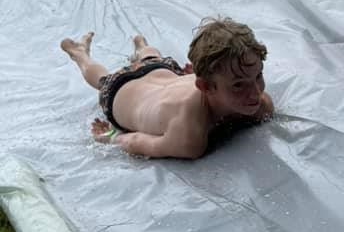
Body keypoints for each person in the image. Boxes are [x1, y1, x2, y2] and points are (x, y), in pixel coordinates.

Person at [60, 18, 274, 160]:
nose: (255, 92)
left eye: (258, 76)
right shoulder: (189, 137)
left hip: (164, 71)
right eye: (238, 85)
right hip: (122, 90)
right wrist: (111, 137)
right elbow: (136, 142)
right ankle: (80, 55)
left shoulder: (258, 103)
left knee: (153, 59)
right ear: (206, 86)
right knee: (101, 79)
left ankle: (142, 47)